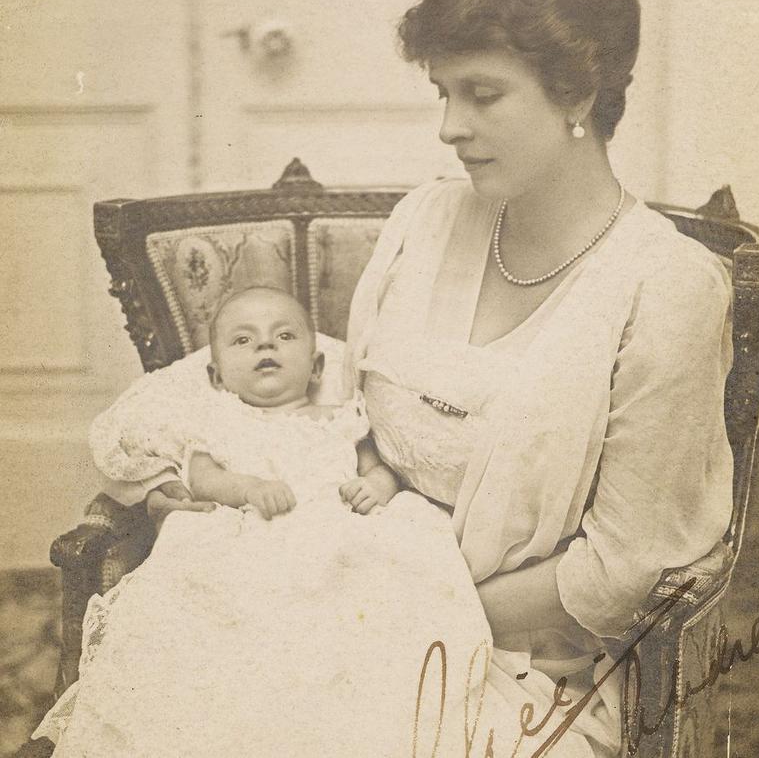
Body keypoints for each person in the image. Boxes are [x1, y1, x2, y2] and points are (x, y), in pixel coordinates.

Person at [41, 0, 733, 757]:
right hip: (326, 593)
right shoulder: (428, 221)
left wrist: (391, 608)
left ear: (578, 90)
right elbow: (333, 414)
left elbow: (626, 571)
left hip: (515, 662)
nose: (449, 128)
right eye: (443, 93)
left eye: (482, 95)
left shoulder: (665, 286)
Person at [34, 286, 495, 757]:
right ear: (215, 376)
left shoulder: (341, 418)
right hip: (250, 542)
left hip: (338, 542)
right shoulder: (220, 421)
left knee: (368, 625)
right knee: (232, 640)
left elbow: (378, 468)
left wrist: (376, 487)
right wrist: (249, 488)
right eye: (243, 340)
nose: (265, 347)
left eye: (285, 336)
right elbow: (204, 478)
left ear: (316, 367)